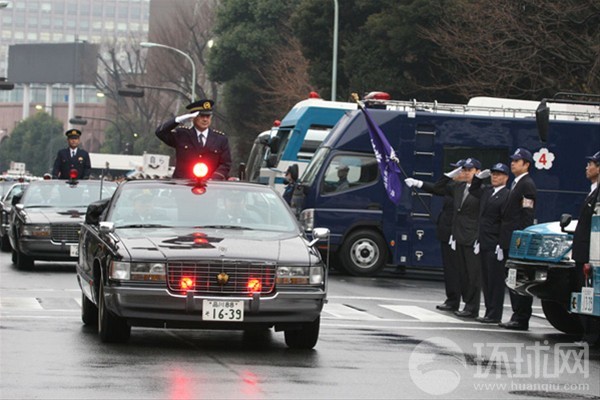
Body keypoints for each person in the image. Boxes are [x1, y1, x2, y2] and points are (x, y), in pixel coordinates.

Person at [406, 157, 482, 318]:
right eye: (462, 170)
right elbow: (437, 187)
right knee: (451, 270)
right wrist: (446, 175)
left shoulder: (475, 190)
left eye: (463, 170)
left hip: (464, 234)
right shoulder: (455, 187)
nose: (461, 173)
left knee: (465, 272)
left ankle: (467, 303)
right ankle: (453, 299)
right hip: (450, 232)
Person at [499, 148, 537, 330]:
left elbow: (526, 214)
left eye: (517, 160)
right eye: (512, 160)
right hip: (508, 237)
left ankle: (521, 317)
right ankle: (517, 314)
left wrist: (520, 240)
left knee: (518, 278)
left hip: (516, 239)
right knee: (512, 278)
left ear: (526, 164)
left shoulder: (527, 184)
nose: (513, 163)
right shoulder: (516, 183)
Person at [469, 163, 510, 323]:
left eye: (499, 174)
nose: (495, 177)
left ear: (506, 177)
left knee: (495, 280)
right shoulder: (488, 192)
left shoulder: (507, 195)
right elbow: (473, 190)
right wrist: (478, 178)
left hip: (495, 242)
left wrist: (501, 243)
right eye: (493, 174)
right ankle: (489, 311)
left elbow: (504, 221)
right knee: (486, 279)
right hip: (484, 240)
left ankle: (495, 313)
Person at [155, 99, 231, 180]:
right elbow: (160, 132)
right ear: (193, 117)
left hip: (210, 187)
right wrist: (179, 119)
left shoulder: (220, 139)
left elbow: (226, 164)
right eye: (201, 116)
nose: (205, 119)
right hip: (183, 186)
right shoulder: (182, 135)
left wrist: (214, 178)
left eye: (208, 116)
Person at [572, 150, 600, 344]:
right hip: (584, 251)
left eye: (591, 164)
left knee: (589, 292)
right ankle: (587, 333)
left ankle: (591, 336)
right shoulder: (592, 190)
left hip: (592, 252)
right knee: (584, 292)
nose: (587, 167)